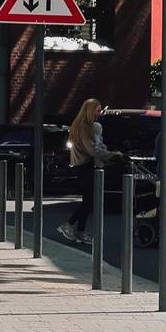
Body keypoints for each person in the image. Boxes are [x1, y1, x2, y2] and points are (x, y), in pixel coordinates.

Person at [58, 99, 112, 242]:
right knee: (88, 201)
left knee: (88, 200)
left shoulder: (85, 125)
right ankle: (68, 224)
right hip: (83, 165)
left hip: (84, 164)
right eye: (98, 110)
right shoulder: (84, 126)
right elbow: (91, 149)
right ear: (90, 110)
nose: (99, 114)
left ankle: (81, 231)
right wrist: (109, 155)